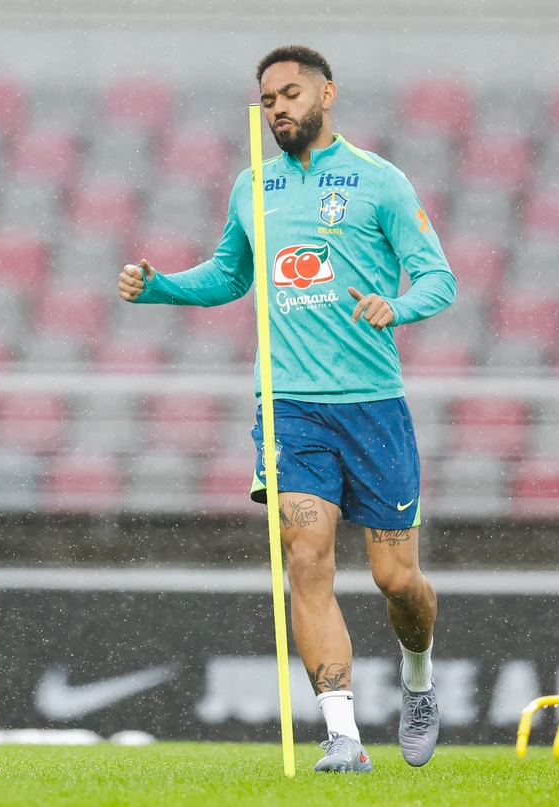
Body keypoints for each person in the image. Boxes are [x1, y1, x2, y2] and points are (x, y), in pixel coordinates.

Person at [118, 45, 456, 773]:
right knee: (307, 559)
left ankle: (419, 674)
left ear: (327, 94)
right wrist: (161, 287)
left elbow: (439, 279)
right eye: (268, 100)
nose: (279, 109)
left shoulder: (379, 182)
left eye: (292, 94)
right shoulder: (252, 185)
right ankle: (343, 735)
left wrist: (392, 307)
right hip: (291, 407)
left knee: (398, 580)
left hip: (373, 407)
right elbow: (229, 275)